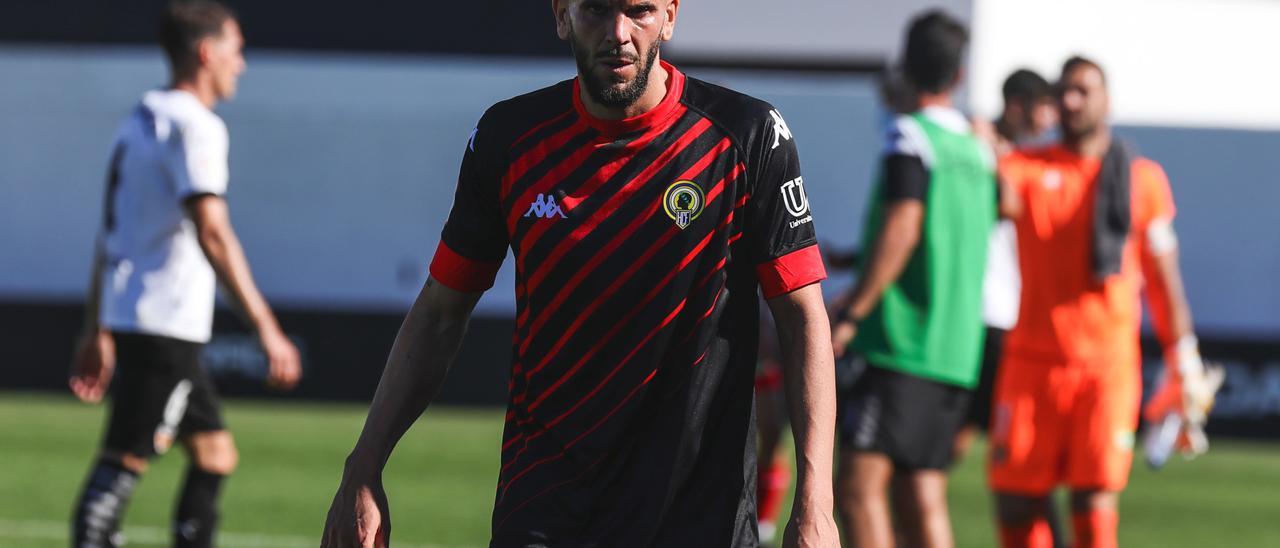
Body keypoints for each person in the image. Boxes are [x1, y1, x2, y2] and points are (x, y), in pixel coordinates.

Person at [320, 1, 839, 546]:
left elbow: (802, 315)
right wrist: (364, 467)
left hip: (694, 516)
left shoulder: (746, 134)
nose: (618, 32)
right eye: (595, 10)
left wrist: (816, 502)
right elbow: (439, 314)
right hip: (544, 509)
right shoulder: (509, 138)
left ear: (670, 16)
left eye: (638, 11)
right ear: (562, 16)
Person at [68, 2, 302, 547]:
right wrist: (266, 327)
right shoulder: (198, 127)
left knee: (216, 452)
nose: (240, 64)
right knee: (124, 460)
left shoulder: (140, 118)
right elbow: (213, 232)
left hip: (145, 320)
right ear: (206, 52)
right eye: (236, 50)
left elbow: (113, 235)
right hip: (164, 326)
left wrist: (95, 325)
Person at [990, 56, 1219, 548]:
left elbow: (1163, 279)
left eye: (1083, 90)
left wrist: (1184, 358)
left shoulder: (1143, 180)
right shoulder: (1025, 167)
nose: (1071, 101)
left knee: (1092, 500)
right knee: (1014, 500)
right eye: (1063, 92)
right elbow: (993, 191)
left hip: (1106, 367)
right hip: (1031, 362)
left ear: (1106, 99)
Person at [830, 10, 996, 548]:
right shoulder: (978, 150)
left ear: (906, 67)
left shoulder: (909, 136)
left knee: (856, 487)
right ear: (959, 77)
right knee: (921, 493)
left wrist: (853, 311)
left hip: (904, 341)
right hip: (957, 347)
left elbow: (905, 227)